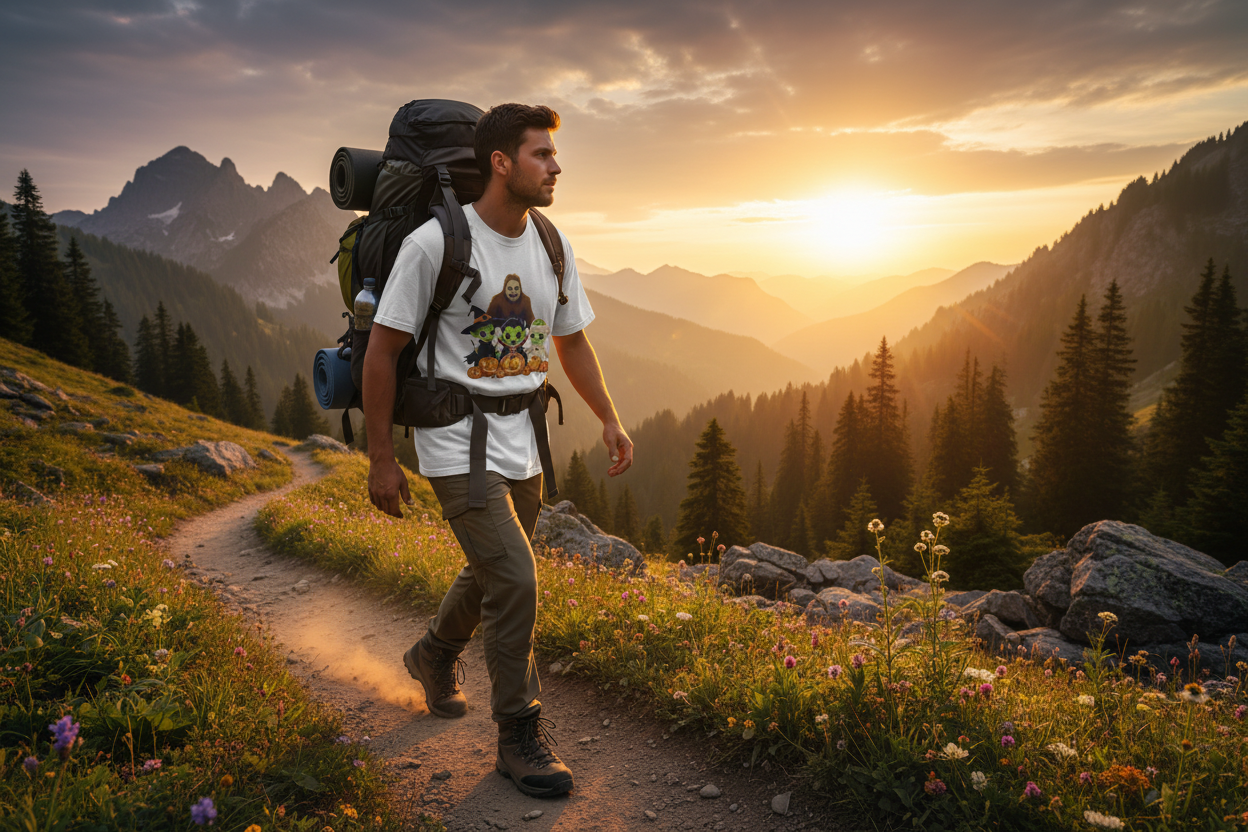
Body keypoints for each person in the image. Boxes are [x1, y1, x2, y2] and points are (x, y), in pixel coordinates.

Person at [363, 103, 633, 798]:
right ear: (501, 163)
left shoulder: (549, 242)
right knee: (514, 577)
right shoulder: (435, 243)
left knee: (491, 571)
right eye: (541, 154)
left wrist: (608, 417)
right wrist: (381, 458)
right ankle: (518, 735)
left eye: (554, 153)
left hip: (524, 440)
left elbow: (570, 339)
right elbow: (383, 350)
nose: (556, 166)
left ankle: (432, 654)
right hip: (456, 440)